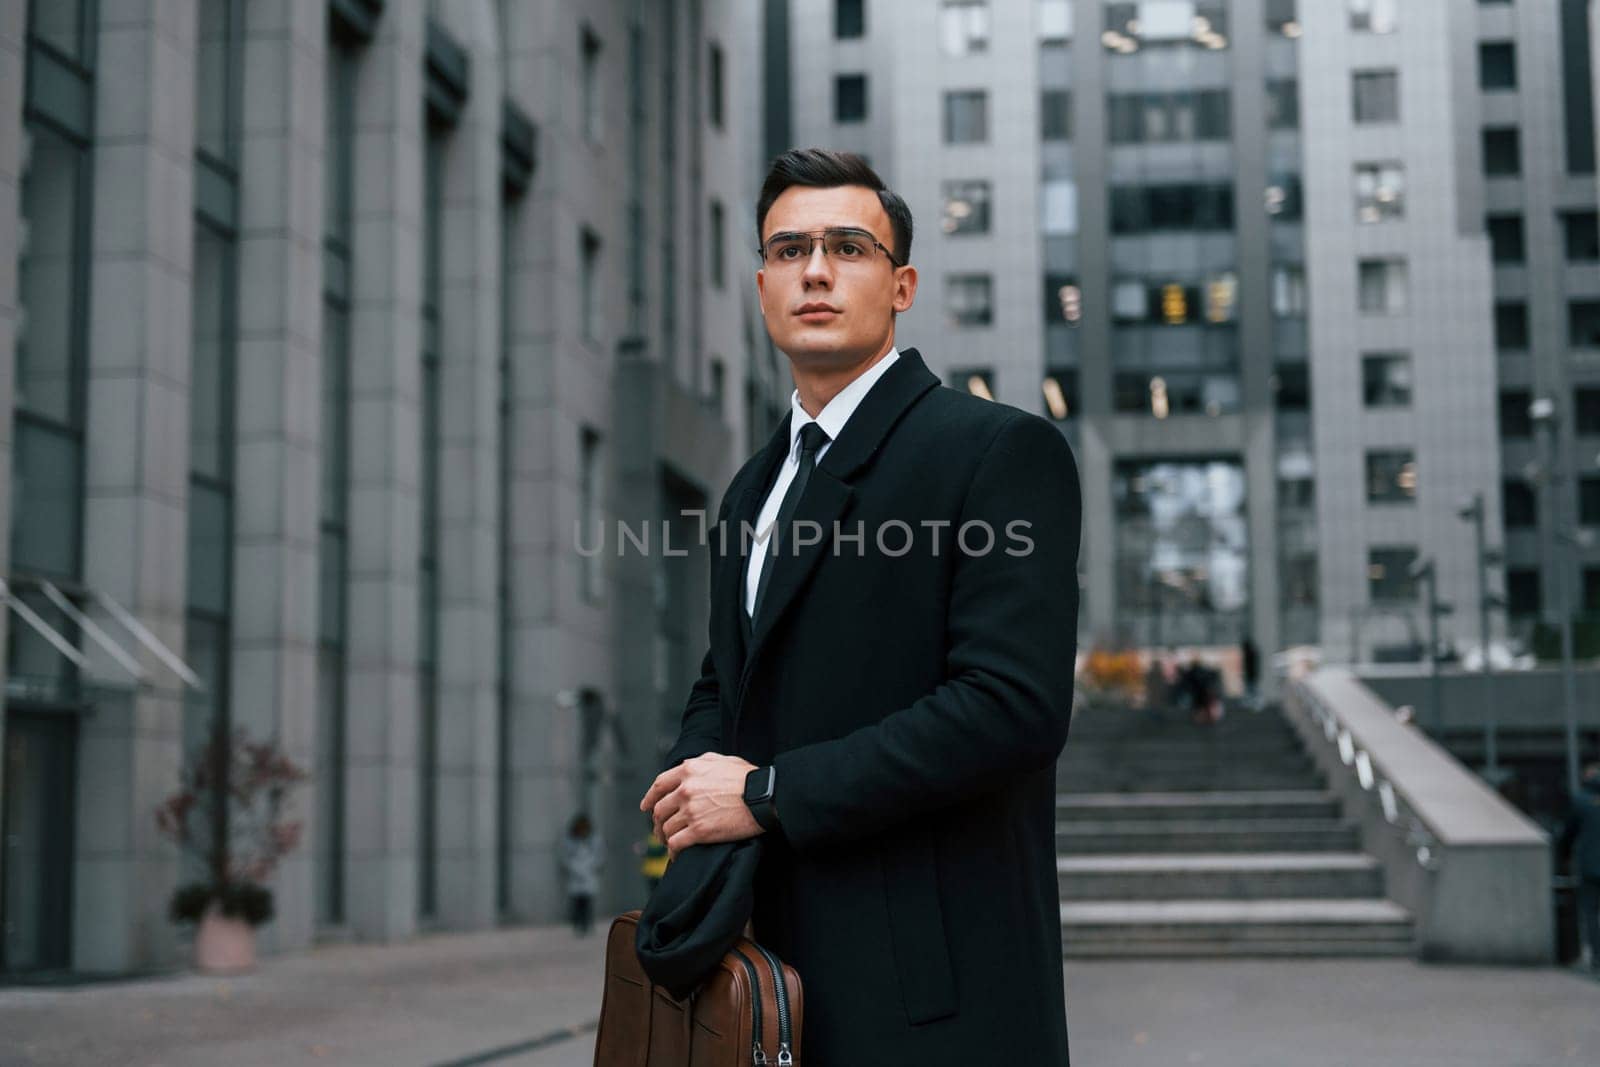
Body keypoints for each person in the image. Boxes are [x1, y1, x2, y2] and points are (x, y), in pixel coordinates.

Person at [639, 149, 1081, 1064]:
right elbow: (728, 678)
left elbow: (1012, 709)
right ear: (762, 284)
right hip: (765, 981)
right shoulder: (753, 488)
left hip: (933, 994)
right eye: (790, 248)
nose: (815, 270)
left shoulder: (996, 451)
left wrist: (762, 793)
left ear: (902, 282)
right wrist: (694, 779)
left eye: (848, 246)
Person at [1558, 763, 1600, 974]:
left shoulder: (1581, 801)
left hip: (1590, 865)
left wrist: (1562, 857)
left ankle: (1597, 957)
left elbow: (1568, 834)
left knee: (1591, 912)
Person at [562, 813, 601, 937]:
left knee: (588, 902)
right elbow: (565, 858)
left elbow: (599, 858)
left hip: (589, 874)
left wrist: (591, 867)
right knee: (577, 902)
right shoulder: (570, 841)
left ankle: (587, 924)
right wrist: (575, 869)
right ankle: (578, 924)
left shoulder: (594, 840)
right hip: (575, 875)